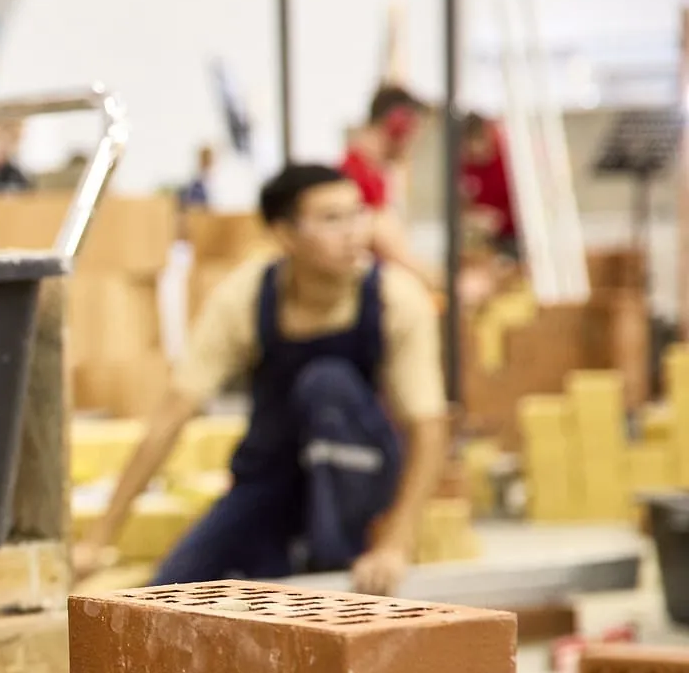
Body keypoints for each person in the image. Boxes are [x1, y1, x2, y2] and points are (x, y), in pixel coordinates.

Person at [71, 164, 447, 595]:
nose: (353, 233)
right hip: (269, 481)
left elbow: (428, 428)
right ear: (285, 234)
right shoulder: (245, 297)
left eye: (357, 214)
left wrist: (395, 543)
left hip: (357, 485)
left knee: (326, 383)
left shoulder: (395, 298)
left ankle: (329, 554)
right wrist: (98, 538)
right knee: (168, 597)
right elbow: (174, 413)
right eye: (331, 220)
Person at [339, 83, 441, 290]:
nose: (415, 143)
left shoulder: (372, 174)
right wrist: (448, 283)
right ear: (397, 127)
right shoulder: (357, 179)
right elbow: (397, 256)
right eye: (414, 132)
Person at [459, 112, 518, 259]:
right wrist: (474, 216)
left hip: (519, 235)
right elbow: (464, 204)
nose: (474, 152)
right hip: (488, 238)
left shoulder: (511, 155)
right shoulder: (465, 164)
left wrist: (501, 218)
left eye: (478, 143)